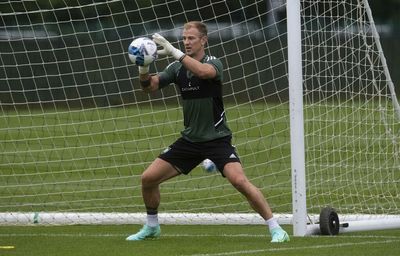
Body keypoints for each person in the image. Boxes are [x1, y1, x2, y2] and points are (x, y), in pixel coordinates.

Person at [126, 21, 289, 243]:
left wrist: (175, 52)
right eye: (184, 39)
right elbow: (149, 87)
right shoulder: (176, 68)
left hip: (217, 139)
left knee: (240, 182)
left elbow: (204, 72)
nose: (186, 42)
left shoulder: (213, 62)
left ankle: (276, 228)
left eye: (191, 38)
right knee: (148, 179)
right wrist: (143, 66)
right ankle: (152, 227)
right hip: (190, 140)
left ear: (203, 40)